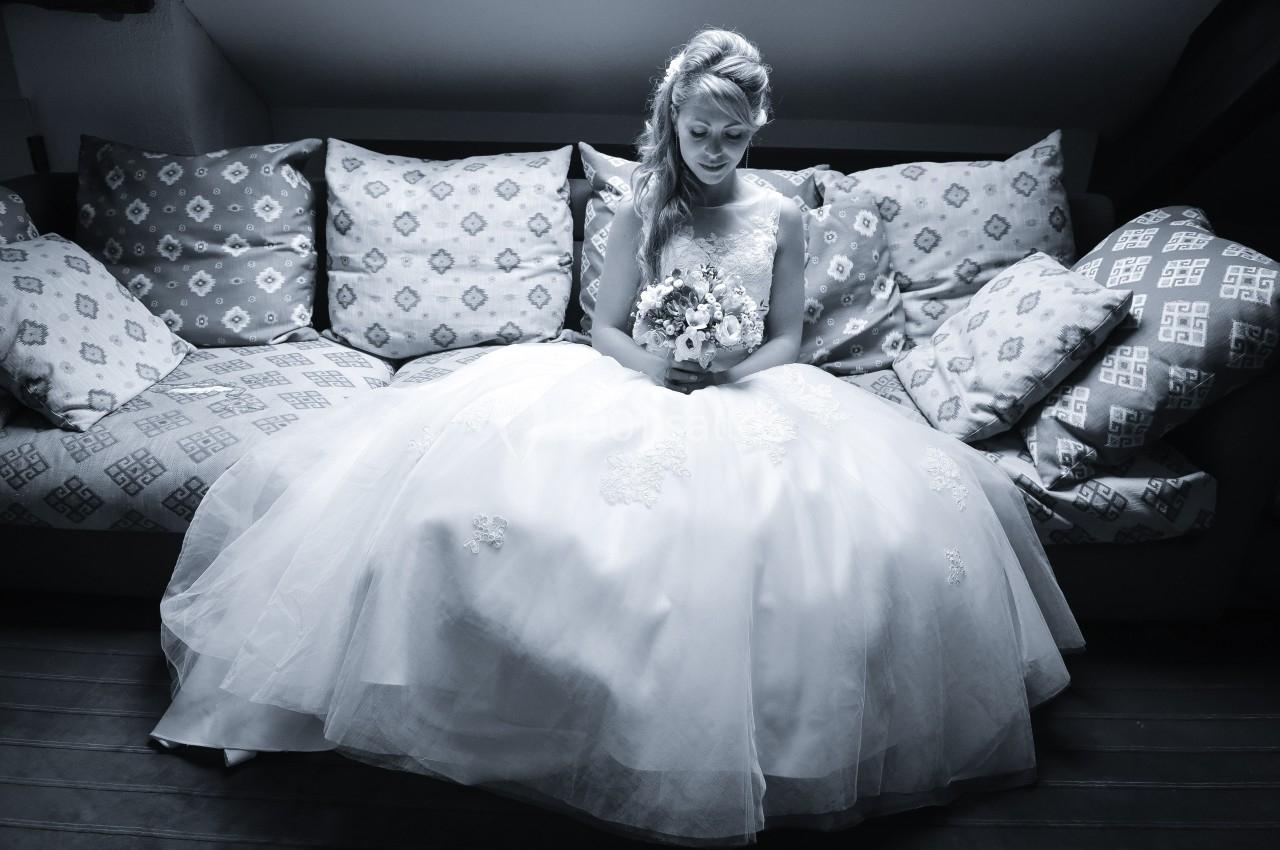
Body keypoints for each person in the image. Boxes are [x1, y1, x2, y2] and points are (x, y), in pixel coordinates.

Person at [151, 28, 1084, 846]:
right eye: (698, 131)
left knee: (840, 535)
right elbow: (604, 328)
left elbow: (789, 334)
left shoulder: (782, 215)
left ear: (757, 127)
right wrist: (659, 366)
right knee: (493, 508)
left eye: (733, 134)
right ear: (673, 120)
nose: (714, 150)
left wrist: (730, 367)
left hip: (752, 387)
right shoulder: (647, 203)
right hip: (636, 378)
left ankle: (779, 753)